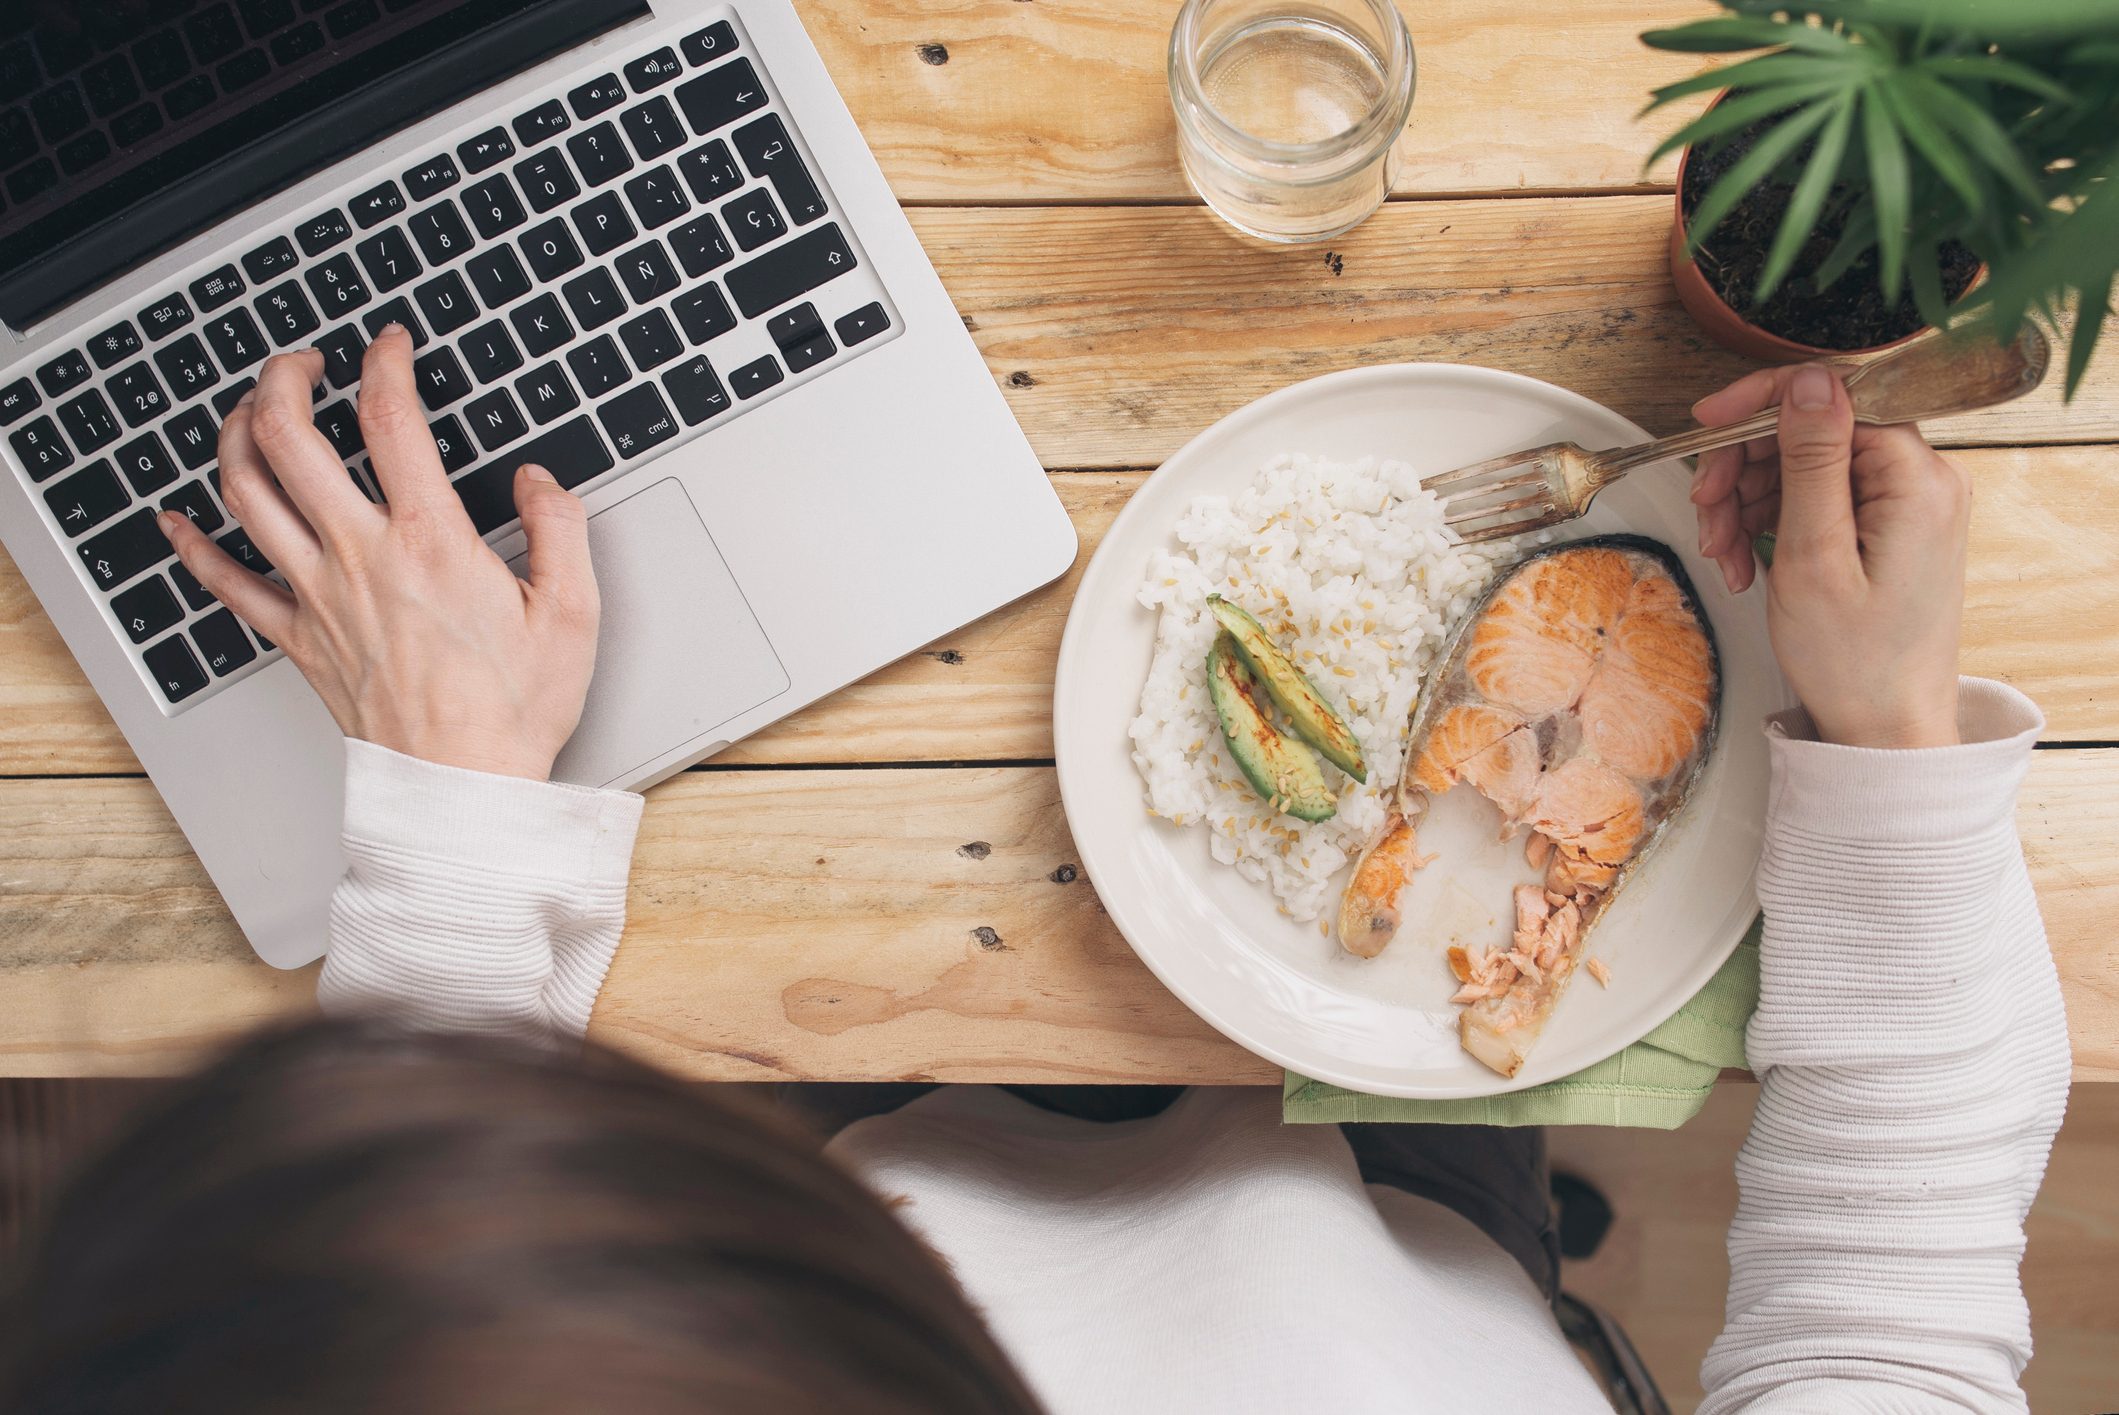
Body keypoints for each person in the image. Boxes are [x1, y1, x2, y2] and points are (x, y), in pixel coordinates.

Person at [0, 339, 2067, 1413]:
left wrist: (447, 815)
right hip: (1421, 1229)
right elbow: (1884, 1346)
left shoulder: (473, 1314)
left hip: (833, 1164)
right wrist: (1883, 748)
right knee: (1452, 1176)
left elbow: (413, 1289)